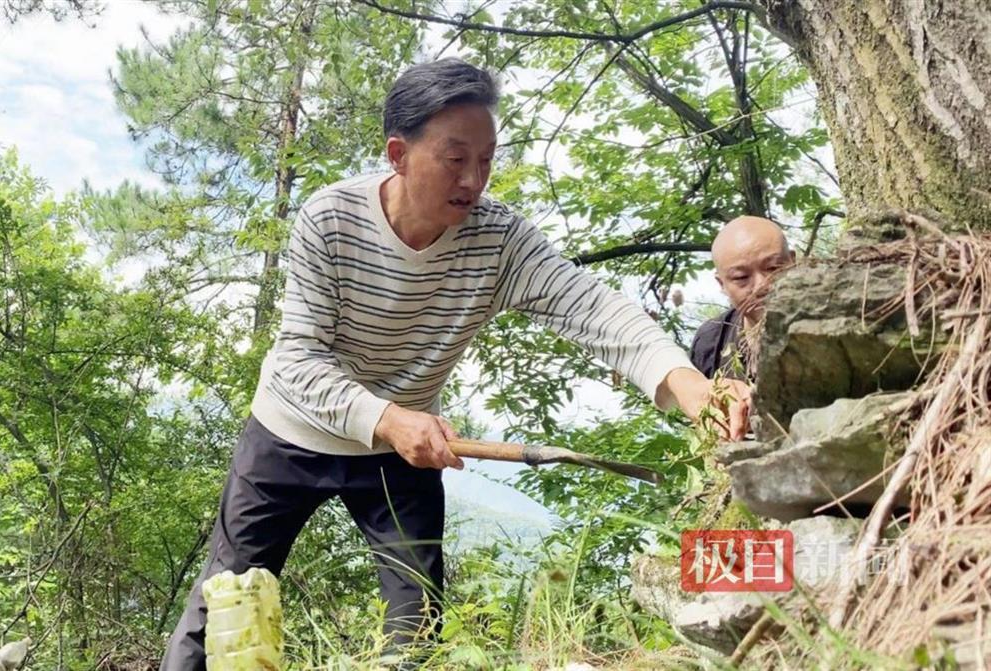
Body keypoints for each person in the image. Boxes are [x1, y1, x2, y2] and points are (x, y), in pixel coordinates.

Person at [161, 58, 750, 671]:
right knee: (223, 603)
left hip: (404, 450)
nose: (474, 180)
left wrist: (691, 387)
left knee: (417, 626)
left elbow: (594, 309)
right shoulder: (330, 219)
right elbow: (299, 358)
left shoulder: (499, 240)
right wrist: (387, 418)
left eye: (487, 160)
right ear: (398, 154)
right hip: (291, 435)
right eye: (455, 158)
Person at [691, 215, 796, 379]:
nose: (762, 285)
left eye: (773, 268)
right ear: (722, 284)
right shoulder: (710, 343)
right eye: (741, 277)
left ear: (793, 263)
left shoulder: (831, 317)